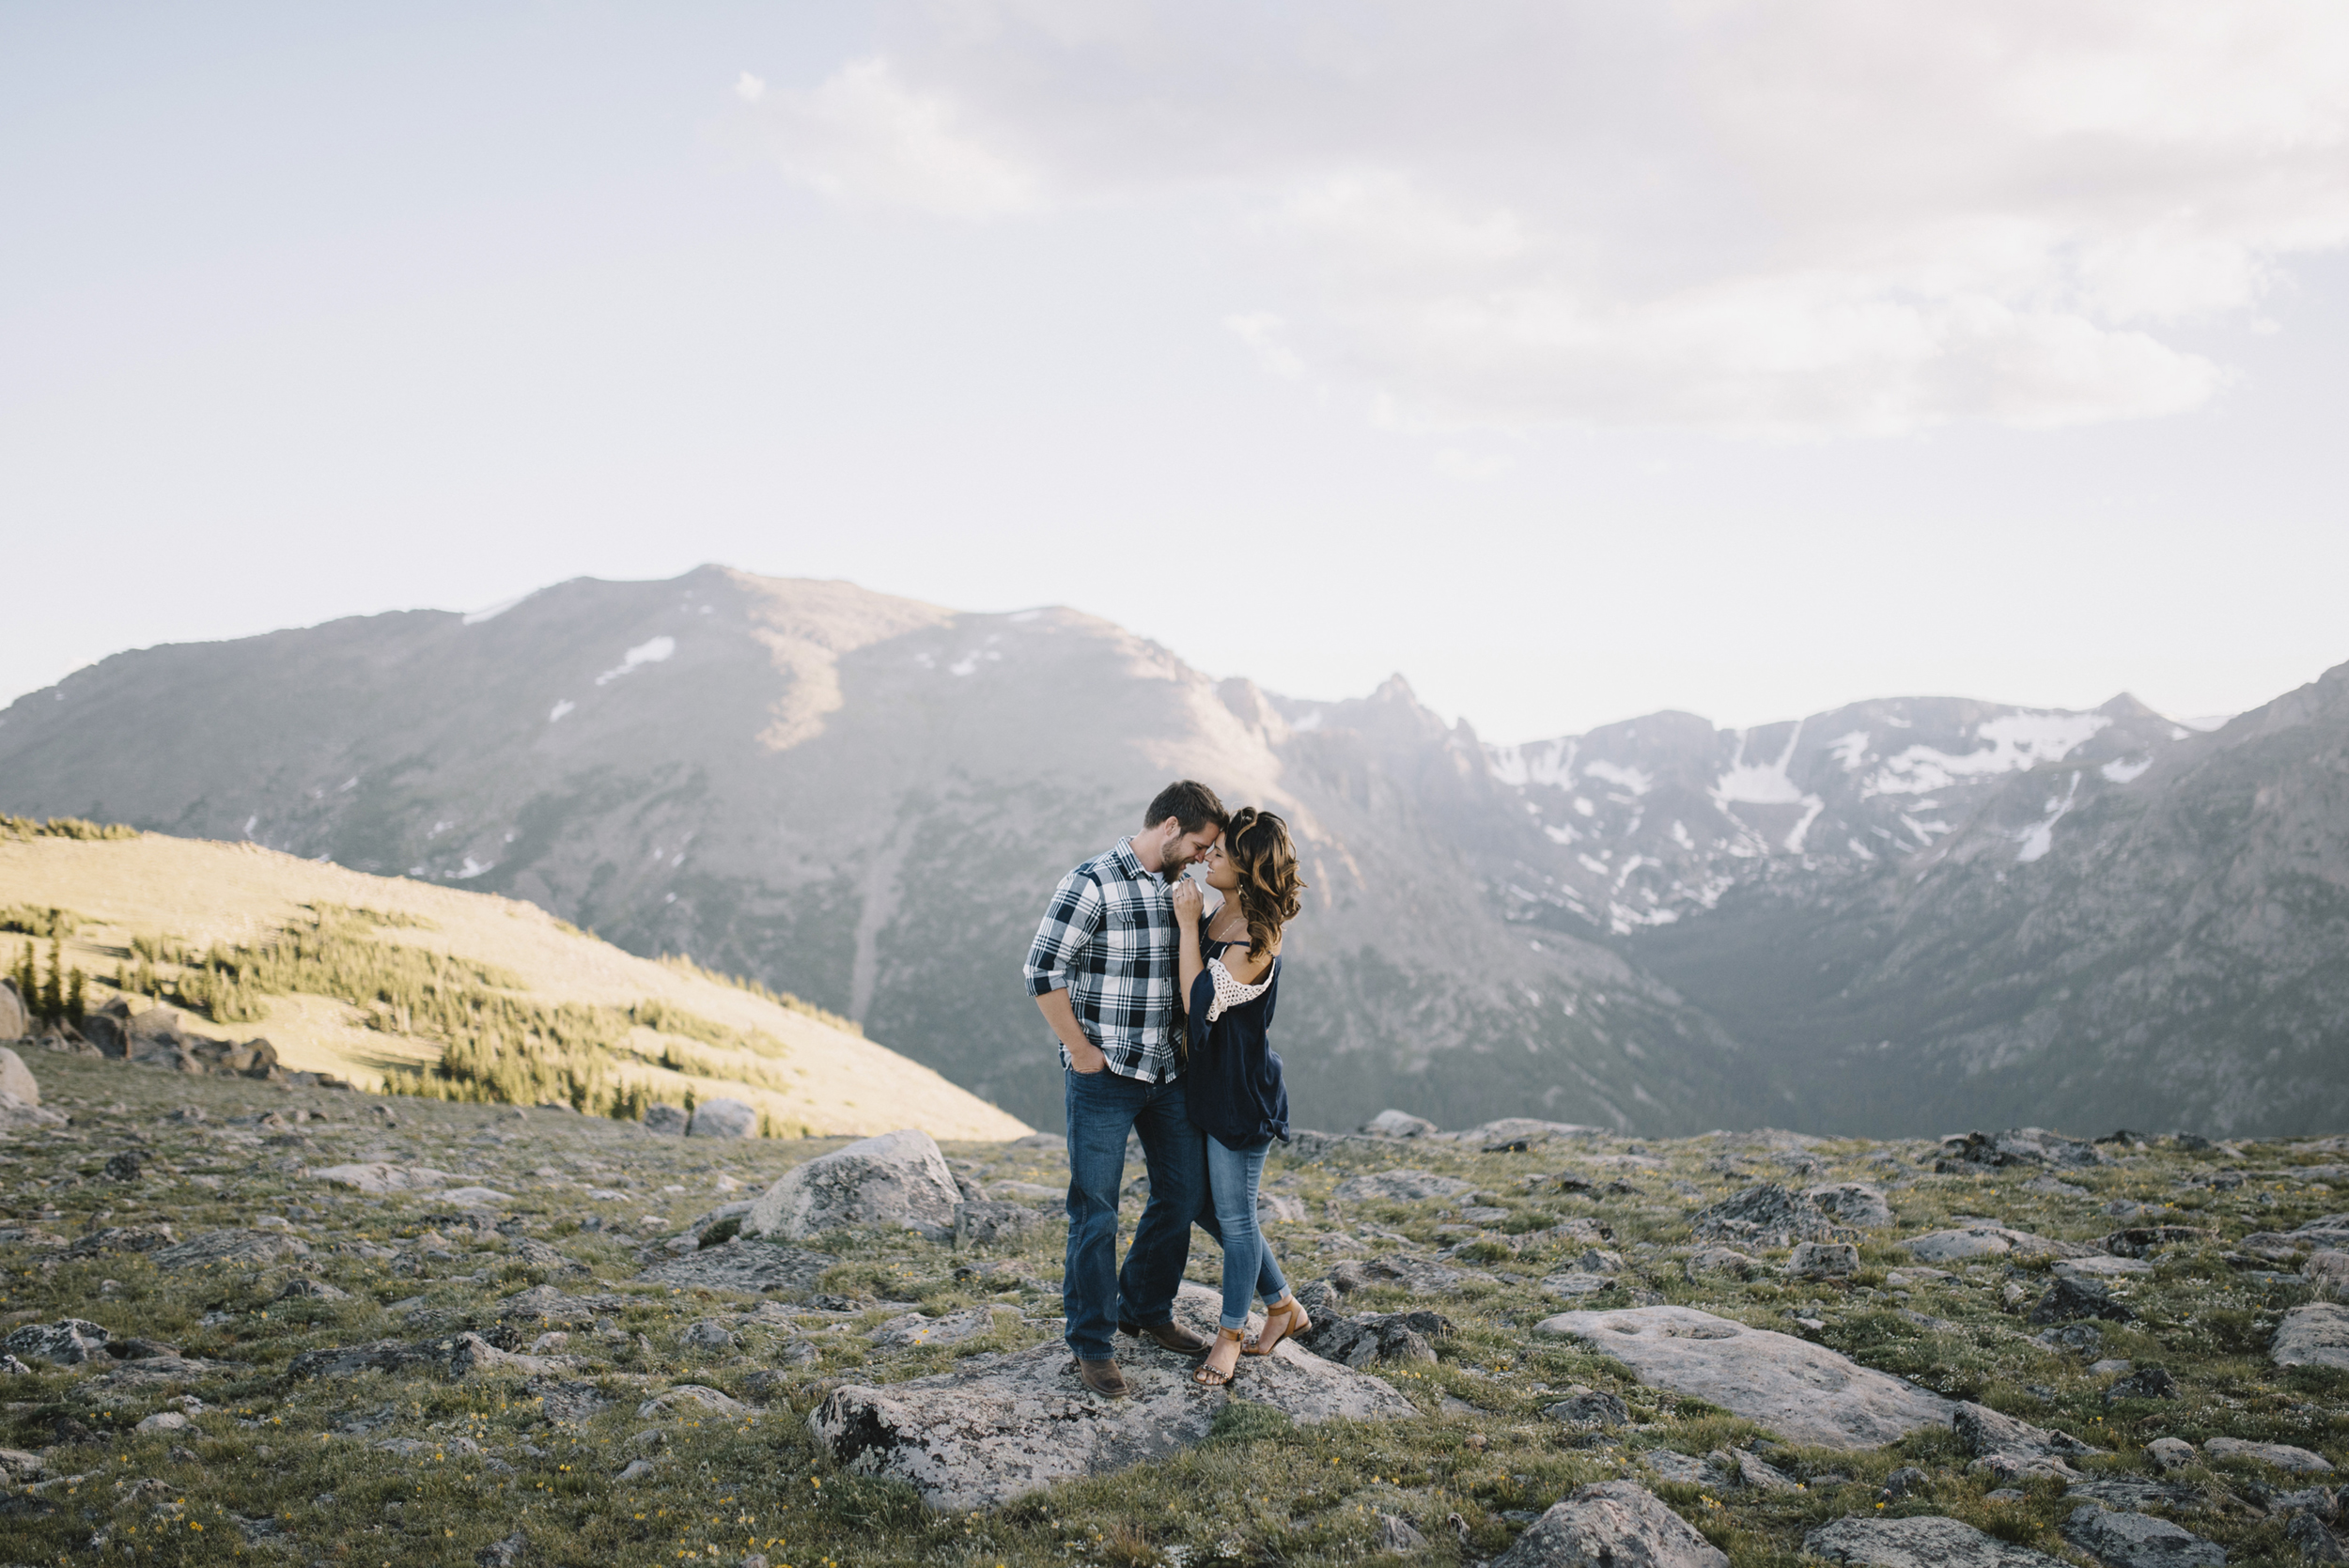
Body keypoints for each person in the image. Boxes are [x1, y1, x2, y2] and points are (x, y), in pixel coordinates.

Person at [1022, 780, 1231, 1399]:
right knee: (1096, 1209)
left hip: (1167, 1073)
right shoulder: (1091, 881)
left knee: (1185, 1191)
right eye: (1198, 845)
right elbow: (1041, 968)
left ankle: (1145, 1305)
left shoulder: (1180, 889)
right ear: (1169, 827)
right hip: (1103, 1076)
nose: (1201, 857)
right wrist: (1081, 1051)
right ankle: (1092, 1342)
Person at [1170, 806, 1309, 1388]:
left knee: (1236, 1215)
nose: (1210, 858)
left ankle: (1230, 1336)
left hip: (1239, 1098)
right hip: (1207, 1087)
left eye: (1221, 854)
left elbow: (1194, 1004)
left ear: (1248, 870)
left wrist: (1184, 928)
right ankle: (1283, 1306)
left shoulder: (1254, 939)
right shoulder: (1222, 910)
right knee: (1208, 1206)